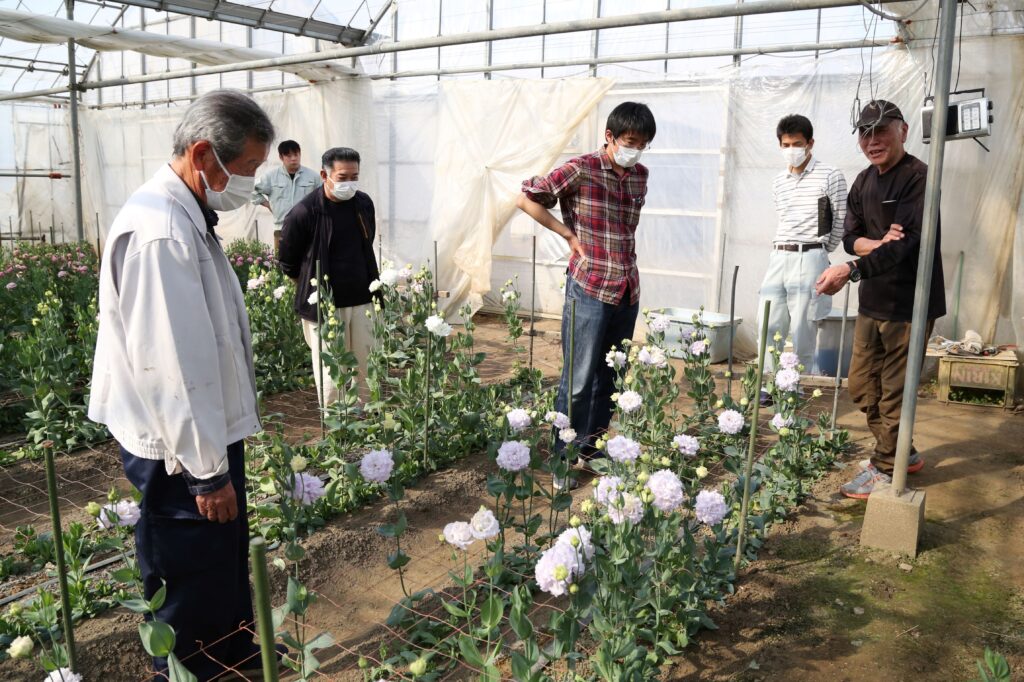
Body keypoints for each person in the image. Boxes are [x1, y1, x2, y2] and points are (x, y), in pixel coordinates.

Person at [89, 90, 279, 680]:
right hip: (181, 453)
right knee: (187, 575)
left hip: (202, 437)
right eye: (245, 170)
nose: (249, 184)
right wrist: (208, 471)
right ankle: (188, 671)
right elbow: (172, 369)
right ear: (202, 154)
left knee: (219, 564)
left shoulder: (186, 214)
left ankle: (233, 660)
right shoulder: (161, 233)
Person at [516, 102, 656, 487]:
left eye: (643, 144)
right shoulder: (581, 168)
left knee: (609, 378)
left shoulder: (640, 175)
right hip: (590, 286)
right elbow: (526, 198)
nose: (636, 150)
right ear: (609, 137)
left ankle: (590, 450)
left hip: (627, 288)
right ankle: (562, 460)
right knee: (576, 379)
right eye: (630, 141)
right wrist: (567, 234)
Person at [815, 99, 945, 499]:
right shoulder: (863, 181)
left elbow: (906, 245)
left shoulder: (919, 178)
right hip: (872, 301)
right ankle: (901, 450)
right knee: (859, 385)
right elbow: (850, 236)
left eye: (881, 131)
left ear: (903, 130)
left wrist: (852, 268)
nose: (873, 141)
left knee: (893, 392)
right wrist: (873, 243)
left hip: (909, 305)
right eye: (864, 133)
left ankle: (886, 467)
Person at [278, 146, 379, 405]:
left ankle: (366, 413)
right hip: (325, 305)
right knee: (331, 366)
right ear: (325, 175)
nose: (349, 183)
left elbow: (367, 240)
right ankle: (337, 423)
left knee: (367, 360)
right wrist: (309, 287)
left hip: (362, 297)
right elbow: (287, 259)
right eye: (343, 178)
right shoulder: (305, 212)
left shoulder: (363, 203)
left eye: (354, 177)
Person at [758, 114, 847, 395]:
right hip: (779, 255)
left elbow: (838, 219)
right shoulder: (779, 181)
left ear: (810, 143)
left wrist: (820, 251)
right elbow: (783, 216)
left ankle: (795, 389)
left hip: (810, 256)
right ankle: (770, 385)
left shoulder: (830, 175)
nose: (791, 149)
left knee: (803, 329)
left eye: (797, 143)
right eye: (785, 144)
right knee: (769, 323)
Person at [251, 139, 321, 238]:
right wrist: (268, 204)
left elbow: (322, 198)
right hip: (282, 228)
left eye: (296, 155)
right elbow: (251, 190)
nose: (293, 159)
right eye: (289, 156)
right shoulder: (271, 177)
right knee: (282, 254)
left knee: (309, 254)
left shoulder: (313, 176)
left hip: (307, 227)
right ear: (281, 157)